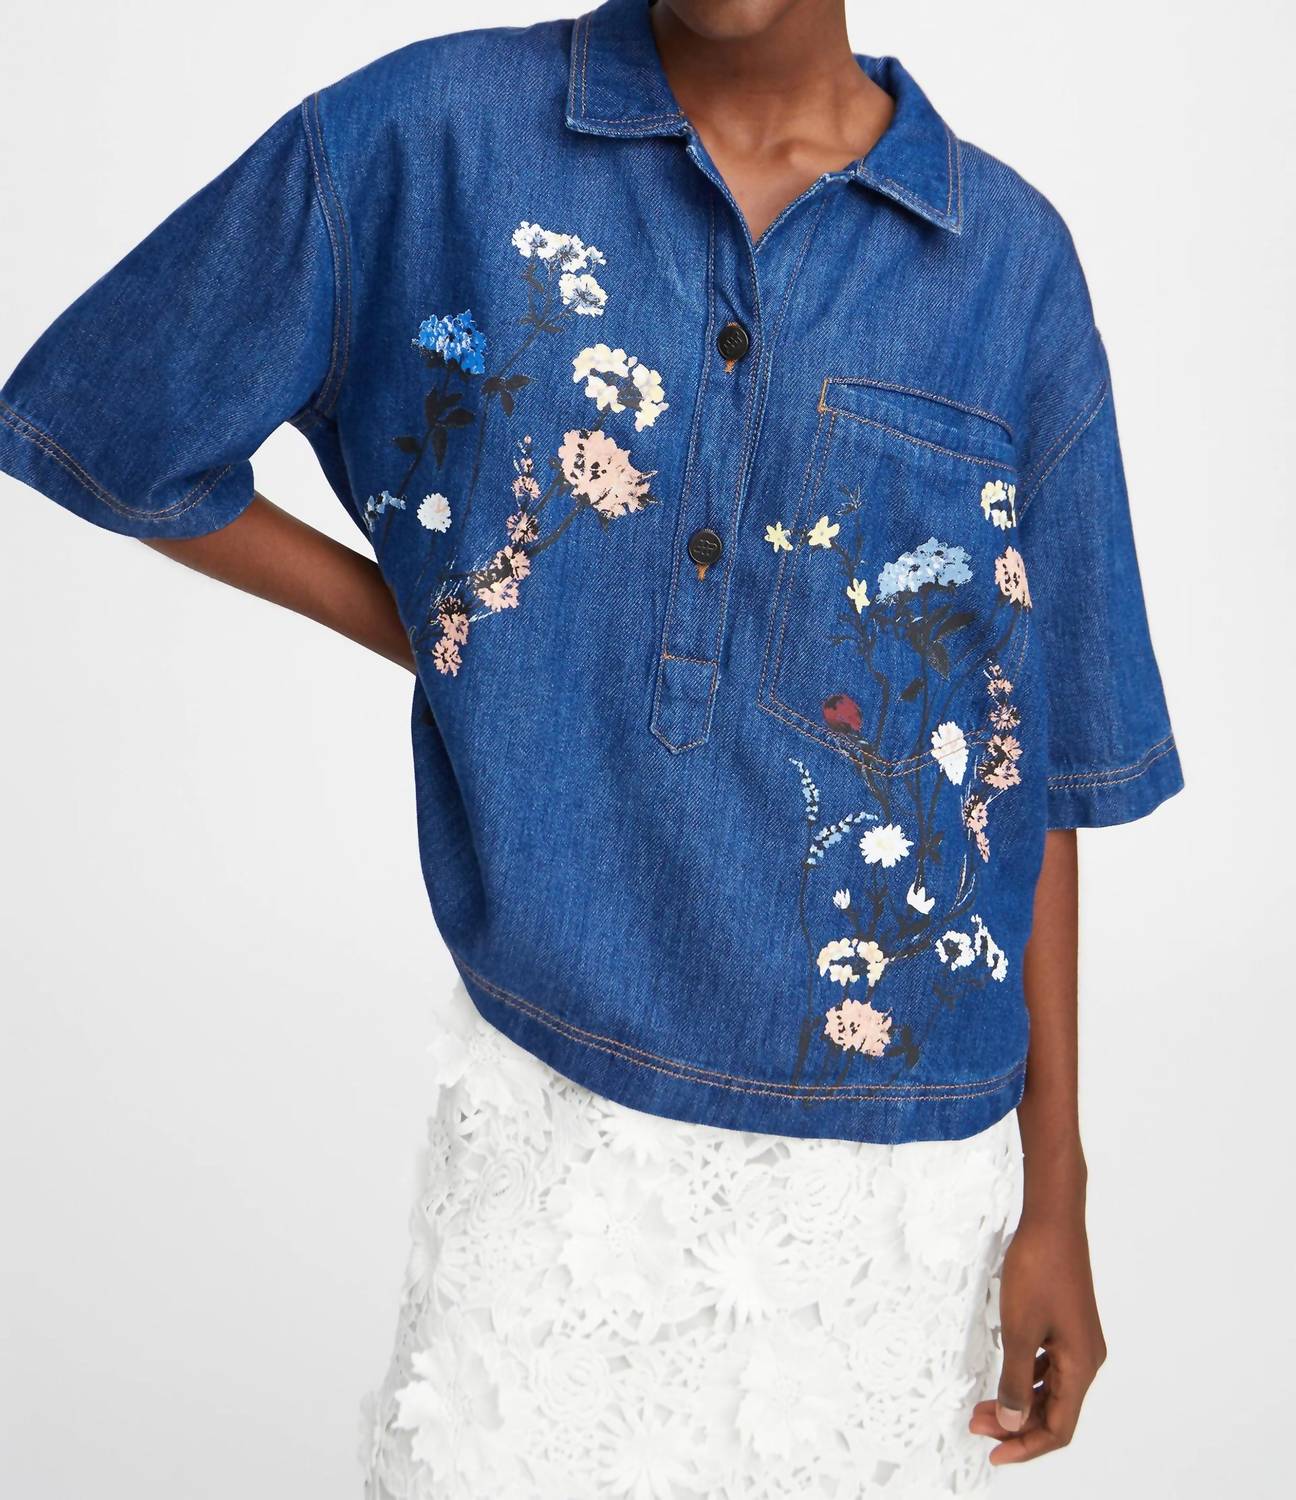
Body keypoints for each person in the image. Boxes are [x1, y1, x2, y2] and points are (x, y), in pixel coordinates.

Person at [0, 0, 1183, 1493]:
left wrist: (1056, 1193)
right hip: (558, 1117)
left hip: (895, 1177)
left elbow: (1032, 767)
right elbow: (118, 420)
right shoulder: (438, 136)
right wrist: (448, 626)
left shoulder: (1005, 263)